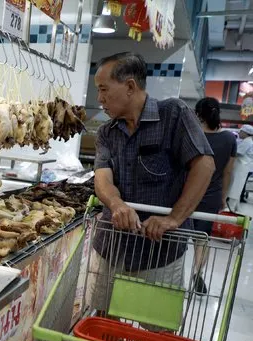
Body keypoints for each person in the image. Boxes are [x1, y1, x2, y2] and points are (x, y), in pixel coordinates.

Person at [89, 52, 215, 315]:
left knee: (155, 331)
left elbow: (204, 165)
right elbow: (102, 176)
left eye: (103, 90)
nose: (99, 99)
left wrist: (174, 218)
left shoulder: (174, 115)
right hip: (111, 248)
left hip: (159, 254)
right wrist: (116, 204)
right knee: (103, 321)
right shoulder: (106, 132)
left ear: (130, 87)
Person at [192, 98, 237, 294]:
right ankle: (197, 273)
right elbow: (228, 172)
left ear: (198, 115)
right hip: (211, 197)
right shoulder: (229, 139)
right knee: (202, 239)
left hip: (185, 194)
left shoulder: (192, 136)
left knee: (174, 235)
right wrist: (223, 197)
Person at [226, 124, 253, 208]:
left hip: (241, 167)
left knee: (235, 186)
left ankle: (230, 206)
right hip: (241, 167)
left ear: (246, 133)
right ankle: (234, 206)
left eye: (241, 131)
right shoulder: (247, 140)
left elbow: (238, 152)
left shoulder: (248, 141)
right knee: (236, 186)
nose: (239, 133)